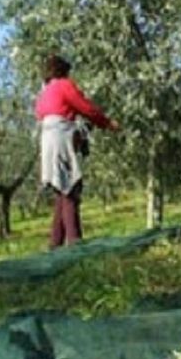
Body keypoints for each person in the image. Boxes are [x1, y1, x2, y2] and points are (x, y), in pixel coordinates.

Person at [35, 54, 120, 248]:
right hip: (60, 136)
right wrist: (106, 122)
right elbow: (85, 107)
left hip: (47, 139)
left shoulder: (45, 92)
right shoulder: (64, 85)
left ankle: (55, 244)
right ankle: (75, 243)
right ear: (63, 71)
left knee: (61, 189)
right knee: (71, 187)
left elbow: (40, 113)